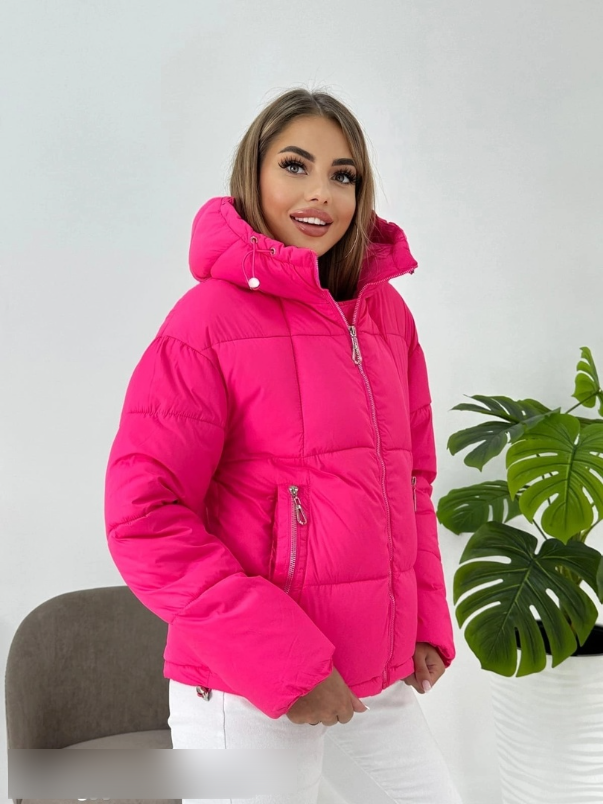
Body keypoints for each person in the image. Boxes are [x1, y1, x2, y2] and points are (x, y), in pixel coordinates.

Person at [104, 87, 463, 804]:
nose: (320, 193)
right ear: (254, 176)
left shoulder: (386, 317)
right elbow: (144, 519)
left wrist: (424, 618)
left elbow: (410, 480)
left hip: (370, 674)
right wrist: (285, 665)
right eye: (295, 166)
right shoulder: (206, 323)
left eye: (342, 174)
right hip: (244, 687)